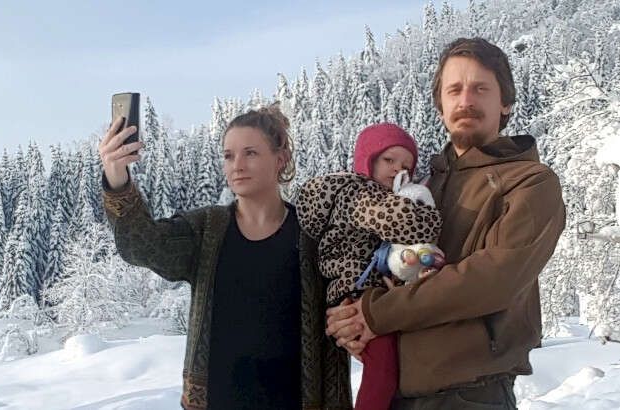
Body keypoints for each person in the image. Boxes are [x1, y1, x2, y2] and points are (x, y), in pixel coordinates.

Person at [325, 37, 566, 409]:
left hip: (469, 396)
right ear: (440, 107)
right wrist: (351, 319)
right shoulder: (421, 188)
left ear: (505, 102)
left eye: (480, 88)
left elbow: (491, 279)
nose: (465, 100)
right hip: (396, 394)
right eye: (454, 90)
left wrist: (377, 313)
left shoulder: (529, 183)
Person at [99, 104, 352, 410]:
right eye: (229, 155)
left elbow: (350, 300)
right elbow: (141, 245)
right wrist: (117, 179)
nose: (237, 165)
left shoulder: (314, 234)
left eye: (251, 153)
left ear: (281, 159)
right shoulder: (207, 230)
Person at [296, 123, 443, 410]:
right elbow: (397, 220)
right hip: (355, 289)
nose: (397, 170)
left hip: (368, 290)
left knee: (388, 367)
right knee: (383, 371)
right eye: (389, 160)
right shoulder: (357, 194)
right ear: (368, 159)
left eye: (406, 167)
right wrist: (430, 219)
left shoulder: (373, 196)